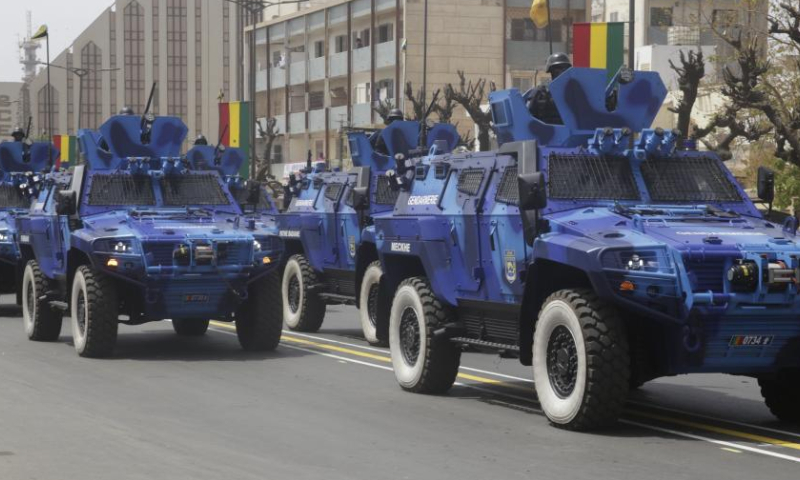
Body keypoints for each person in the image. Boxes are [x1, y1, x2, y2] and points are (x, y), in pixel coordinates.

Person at [527, 52, 571, 125]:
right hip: (544, 134)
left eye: (564, 69)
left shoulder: (573, 92)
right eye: (558, 68)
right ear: (551, 71)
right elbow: (527, 117)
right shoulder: (540, 92)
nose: (561, 71)